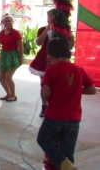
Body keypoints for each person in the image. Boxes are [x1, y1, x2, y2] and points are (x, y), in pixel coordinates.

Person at [37, 37, 96, 170]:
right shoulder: (79, 70)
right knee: (69, 152)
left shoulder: (51, 70)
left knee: (43, 139)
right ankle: (67, 164)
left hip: (54, 117)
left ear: (50, 56)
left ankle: (61, 162)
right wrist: (74, 89)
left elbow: (44, 94)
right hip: (74, 119)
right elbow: (92, 90)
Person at [29, 9, 75, 117]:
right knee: (45, 84)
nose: (52, 18)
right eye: (50, 16)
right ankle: (44, 106)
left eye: (54, 16)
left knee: (59, 84)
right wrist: (47, 29)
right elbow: (38, 42)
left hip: (60, 59)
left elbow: (70, 47)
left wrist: (71, 36)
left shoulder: (64, 31)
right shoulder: (43, 29)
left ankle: (55, 105)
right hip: (45, 59)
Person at [0, 13, 24, 102]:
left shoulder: (16, 33)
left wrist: (20, 58)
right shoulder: (1, 33)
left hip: (13, 56)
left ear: (12, 22)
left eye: (9, 21)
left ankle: (13, 95)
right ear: (3, 23)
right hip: (4, 56)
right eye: (6, 21)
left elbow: (20, 47)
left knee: (8, 77)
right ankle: (8, 93)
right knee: (1, 76)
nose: (8, 23)